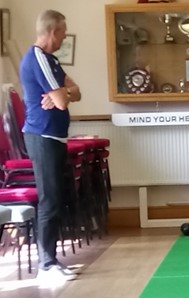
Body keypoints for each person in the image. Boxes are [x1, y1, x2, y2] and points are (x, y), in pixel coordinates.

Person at [20, 9, 81, 282]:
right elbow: (63, 101)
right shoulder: (37, 58)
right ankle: (46, 265)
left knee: (58, 198)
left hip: (55, 137)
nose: (64, 37)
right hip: (42, 136)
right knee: (49, 200)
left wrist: (63, 92)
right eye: (63, 32)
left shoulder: (52, 60)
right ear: (52, 31)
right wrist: (63, 95)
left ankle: (52, 260)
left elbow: (75, 92)